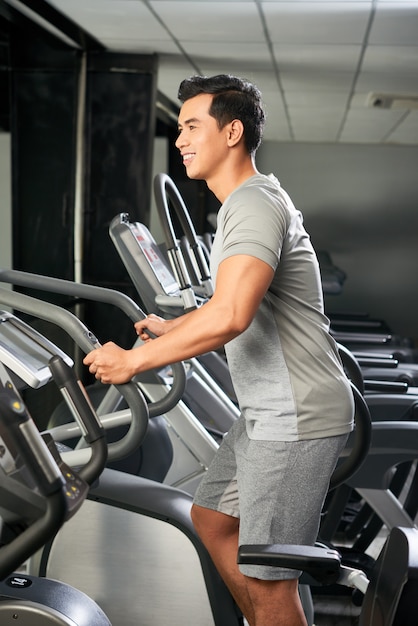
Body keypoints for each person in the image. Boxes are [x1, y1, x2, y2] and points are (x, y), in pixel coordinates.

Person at [84, 74, 354, 626]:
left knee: (267, 574)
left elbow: (232, 316)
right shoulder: (246, 202)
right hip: (267, 412)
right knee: (212, 519)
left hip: (294, 416)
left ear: (232, 132)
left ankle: (272, 612)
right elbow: (226, 304)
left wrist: (134, 361)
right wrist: (176, 326)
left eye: (191, 126)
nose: (180, 138)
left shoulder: (252, 204)